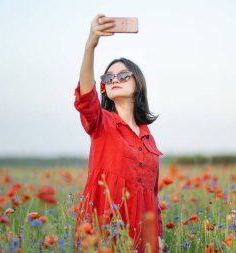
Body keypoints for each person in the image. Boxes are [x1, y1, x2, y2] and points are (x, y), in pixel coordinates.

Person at [73, 14, 164, 253]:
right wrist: (90, 45)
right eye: (108, 77)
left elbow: (152, 198)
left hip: (143, 237)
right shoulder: (101, 124)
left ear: (138, 85)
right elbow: (85, 98)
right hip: (105, 230)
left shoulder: (148, 138)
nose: (115, 79)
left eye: (123, 75)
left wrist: (159, 239)